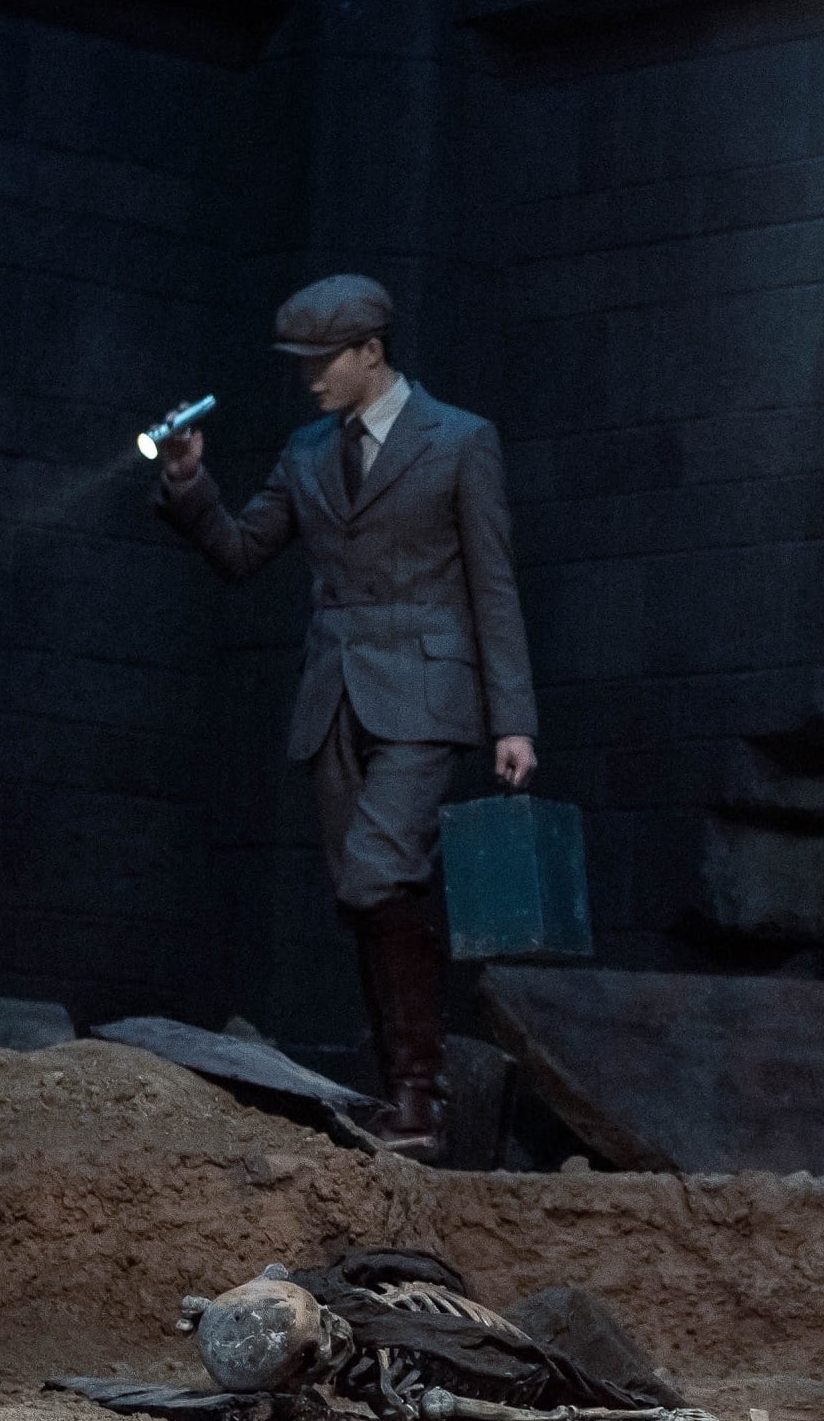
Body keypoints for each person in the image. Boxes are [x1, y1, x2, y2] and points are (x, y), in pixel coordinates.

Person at [153, 273, 537, 1157]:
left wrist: (513, 718)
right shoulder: (306, 451)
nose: (311, 377)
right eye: (301, 361)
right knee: (364, 897)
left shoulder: (459, 439)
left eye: (324, 360)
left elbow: (494, 583)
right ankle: (405, 1099)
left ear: (372, 350)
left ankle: (422, 1096)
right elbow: (241, 553)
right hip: (334, 699)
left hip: (426, 695)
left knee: (377, 874)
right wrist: (187, 483)